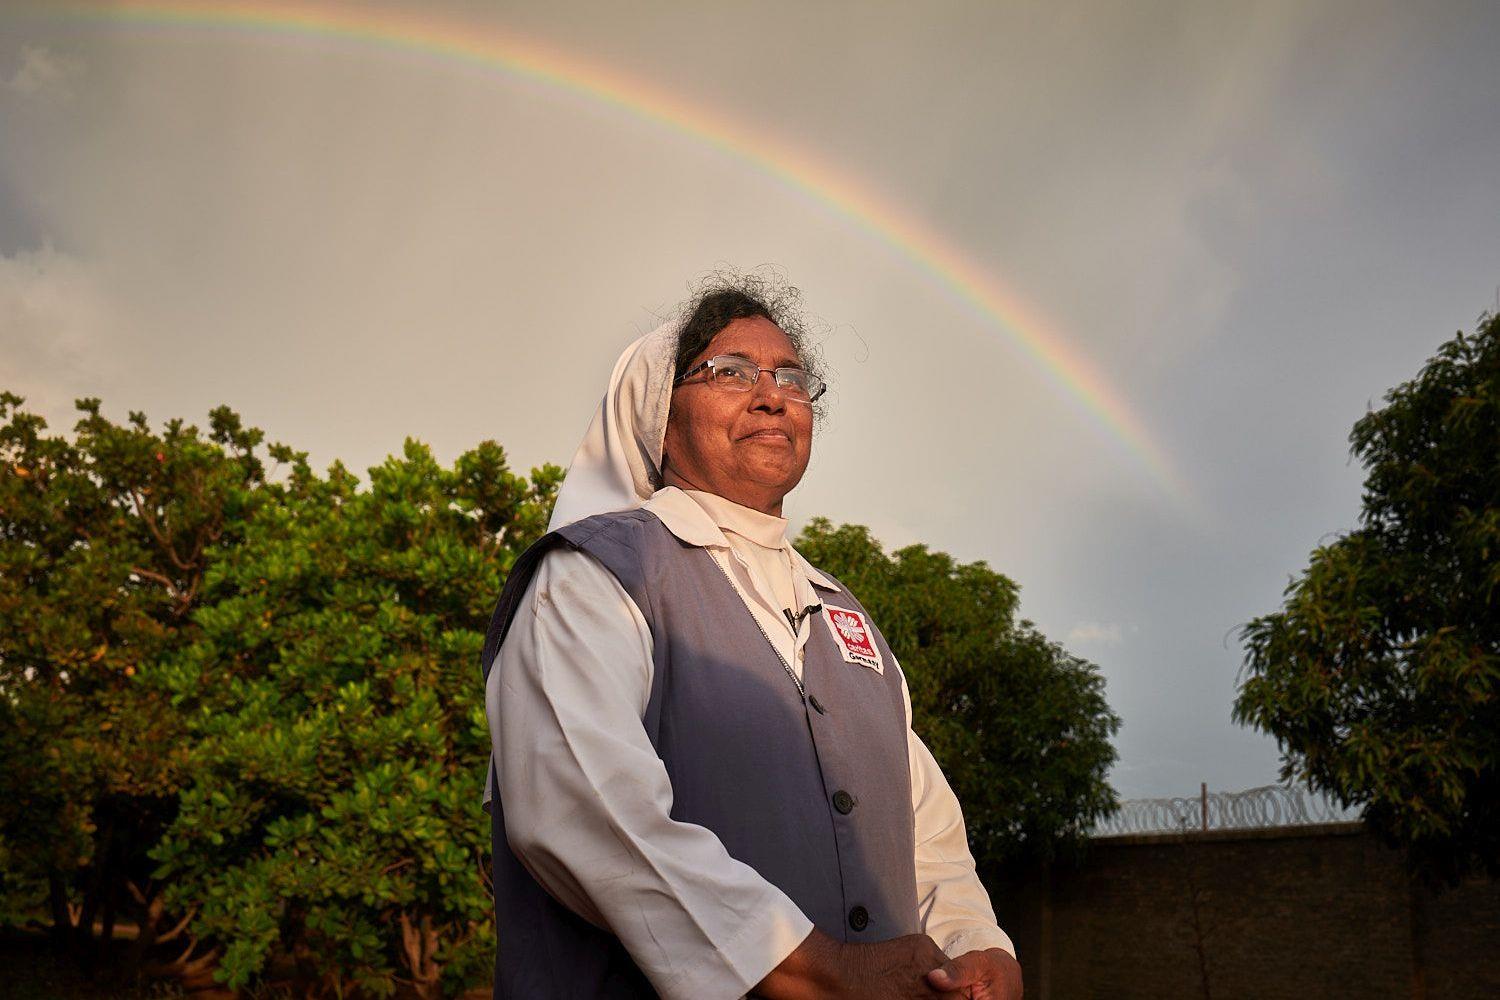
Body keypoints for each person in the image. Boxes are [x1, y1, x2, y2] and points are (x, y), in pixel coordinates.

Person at [481, 278, 1023, 999]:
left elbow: (925, 835)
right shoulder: (595, 575)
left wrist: (976, 943)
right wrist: (823, 971)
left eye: (790, 377)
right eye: (730, 372)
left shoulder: (845, 616)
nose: (772, 396)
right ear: (659, 414)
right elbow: (583, 813)